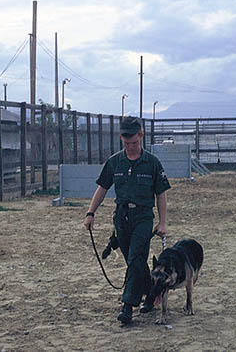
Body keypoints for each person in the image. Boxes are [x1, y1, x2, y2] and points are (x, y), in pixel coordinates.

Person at [84, 116, 171, 324]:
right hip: (121, 218)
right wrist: (90, 213)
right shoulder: (115, 162)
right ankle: (150, 295)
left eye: (134, 142)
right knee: (135, 261)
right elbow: (102, 188)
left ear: (141, 136)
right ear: (121, 139)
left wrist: (162, 222)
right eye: (126, 143)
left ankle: (127, 306)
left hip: (143, 217)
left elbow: (161, 194)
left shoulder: (152, 163)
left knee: (135, 259)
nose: (130, 147)